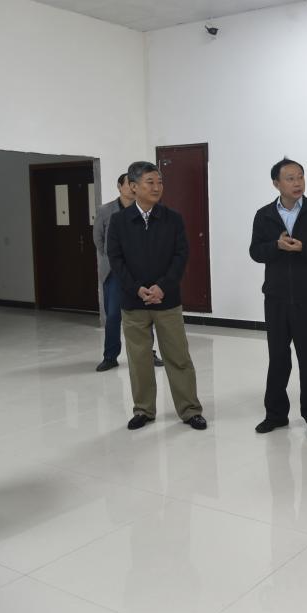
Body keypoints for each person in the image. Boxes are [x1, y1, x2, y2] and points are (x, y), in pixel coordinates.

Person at [106, 161, 206, 431]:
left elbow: (181, 256)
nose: (157, 187)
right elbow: (115, 259)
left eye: (159, 182)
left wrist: (163, 286)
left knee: (178, 357)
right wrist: (136, 288)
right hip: (133, 302)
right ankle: (143, 410)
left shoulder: (173, 218)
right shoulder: (119, 221)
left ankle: (190, 410)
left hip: (167, 301)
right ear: (133, 186)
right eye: (150, 182)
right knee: (139, 361)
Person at [249, 158, 307, 438]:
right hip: (275, 298)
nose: (297, 183)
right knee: (278, 358)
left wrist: (303, 249)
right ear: (276, 183)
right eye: (290, 178)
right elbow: (255, 252)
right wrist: (275, 246)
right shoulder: (264, 215)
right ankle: (275, 414)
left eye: (300, 176)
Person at [93, 173, 162, 372]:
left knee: (145, 314)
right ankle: (110, 356)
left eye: (135, 185)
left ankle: (149, 353)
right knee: (114, 315)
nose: (132, 188)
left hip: (140, 270)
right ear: (120, 186)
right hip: (114, 272)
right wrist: (112, 258)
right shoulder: (105, 211)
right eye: (129, 185)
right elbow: (98, 239)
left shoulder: (143, 209)